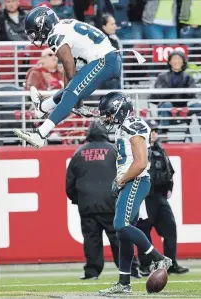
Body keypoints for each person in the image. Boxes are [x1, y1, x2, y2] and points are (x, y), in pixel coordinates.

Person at [13, 6, 122, 148]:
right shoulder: (64, 25)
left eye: (35, 32)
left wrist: (76, 99)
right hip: (108, 59)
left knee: (71, 91)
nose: (35, 37)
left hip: (106, 60)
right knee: (71, 89)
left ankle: (40, 134)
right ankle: (44, 106)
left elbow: (69, 65)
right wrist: (74, 96)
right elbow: (69, 65)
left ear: (43, 24)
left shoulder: (54, 35)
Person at [98, 92, 172, 295]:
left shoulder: (133, 126)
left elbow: (140, 163)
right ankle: (124, 283)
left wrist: (120, 180)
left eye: (109, 114)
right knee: (123, 233)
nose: (107, 119)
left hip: (135, 181)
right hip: (129, 181)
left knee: (120, 225)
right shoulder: (124, 126)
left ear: (119, 110)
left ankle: (159, 258)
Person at [66, 120, 142, 279]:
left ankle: (91, 272)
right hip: (111, 203)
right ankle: (131, 270)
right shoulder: (114, 150)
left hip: (87, 205)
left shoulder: (79, 153)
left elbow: (69, 183)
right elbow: (126, 174)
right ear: (105, 133)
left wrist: (77, 199)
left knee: (91, 240)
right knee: (118, 239)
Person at [137, 120, 189, 276]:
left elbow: (169, 171)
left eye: (155, 130)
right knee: (144, 231)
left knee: (170, 230)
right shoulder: (138, 149)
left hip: (160, 197)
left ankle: (170, 263)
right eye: (151, 130)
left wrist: (169, 188)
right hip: (145, 197)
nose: (154, 133)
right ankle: (145, 266)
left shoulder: (160, 149)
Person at [150, 51, 201, 127]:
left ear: (183, 62)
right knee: (166, 105)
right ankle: (164, 134)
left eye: (179, 59)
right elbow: (158, 94)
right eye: (174, 59)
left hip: (184, 108)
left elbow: (192, 93)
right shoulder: (162, 77)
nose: (176, 61)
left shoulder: (188, 77)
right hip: (166, 107)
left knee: (198, 106)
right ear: (169, 62)